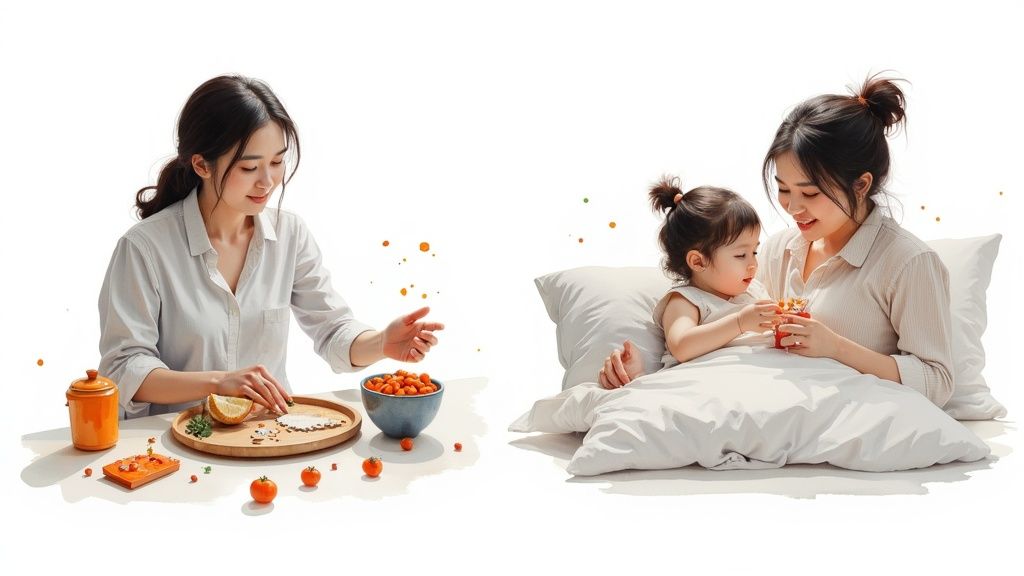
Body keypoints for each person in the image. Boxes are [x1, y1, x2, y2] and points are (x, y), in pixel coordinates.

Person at [98, 75, 444, 419]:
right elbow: (124, 367)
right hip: (175, 446)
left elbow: (333, 328)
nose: (267, 182)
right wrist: (218, 383)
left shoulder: (289, 234)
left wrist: (382, 342)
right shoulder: (144, 248)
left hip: (268, 436)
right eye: (249, 167)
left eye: (277, 162)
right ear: (202, 165)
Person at [601, 75, 954, 408]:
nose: (792, 207)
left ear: (860, 185)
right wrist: (640, 372)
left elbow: (936, 382)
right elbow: (721, 331)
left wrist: (836, 348)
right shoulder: (777, 250)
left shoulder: (907, 263)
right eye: (783, 189)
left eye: (810, 193)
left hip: (847, 424)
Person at [598, 177, 778, 390]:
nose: (753, 264)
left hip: (756, 377)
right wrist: (740, 322)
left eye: (754, 252)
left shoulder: (753, 291)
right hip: (705, 383)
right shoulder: (687, 300)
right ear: (698, 261)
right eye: (741, 255)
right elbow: (682, 345)